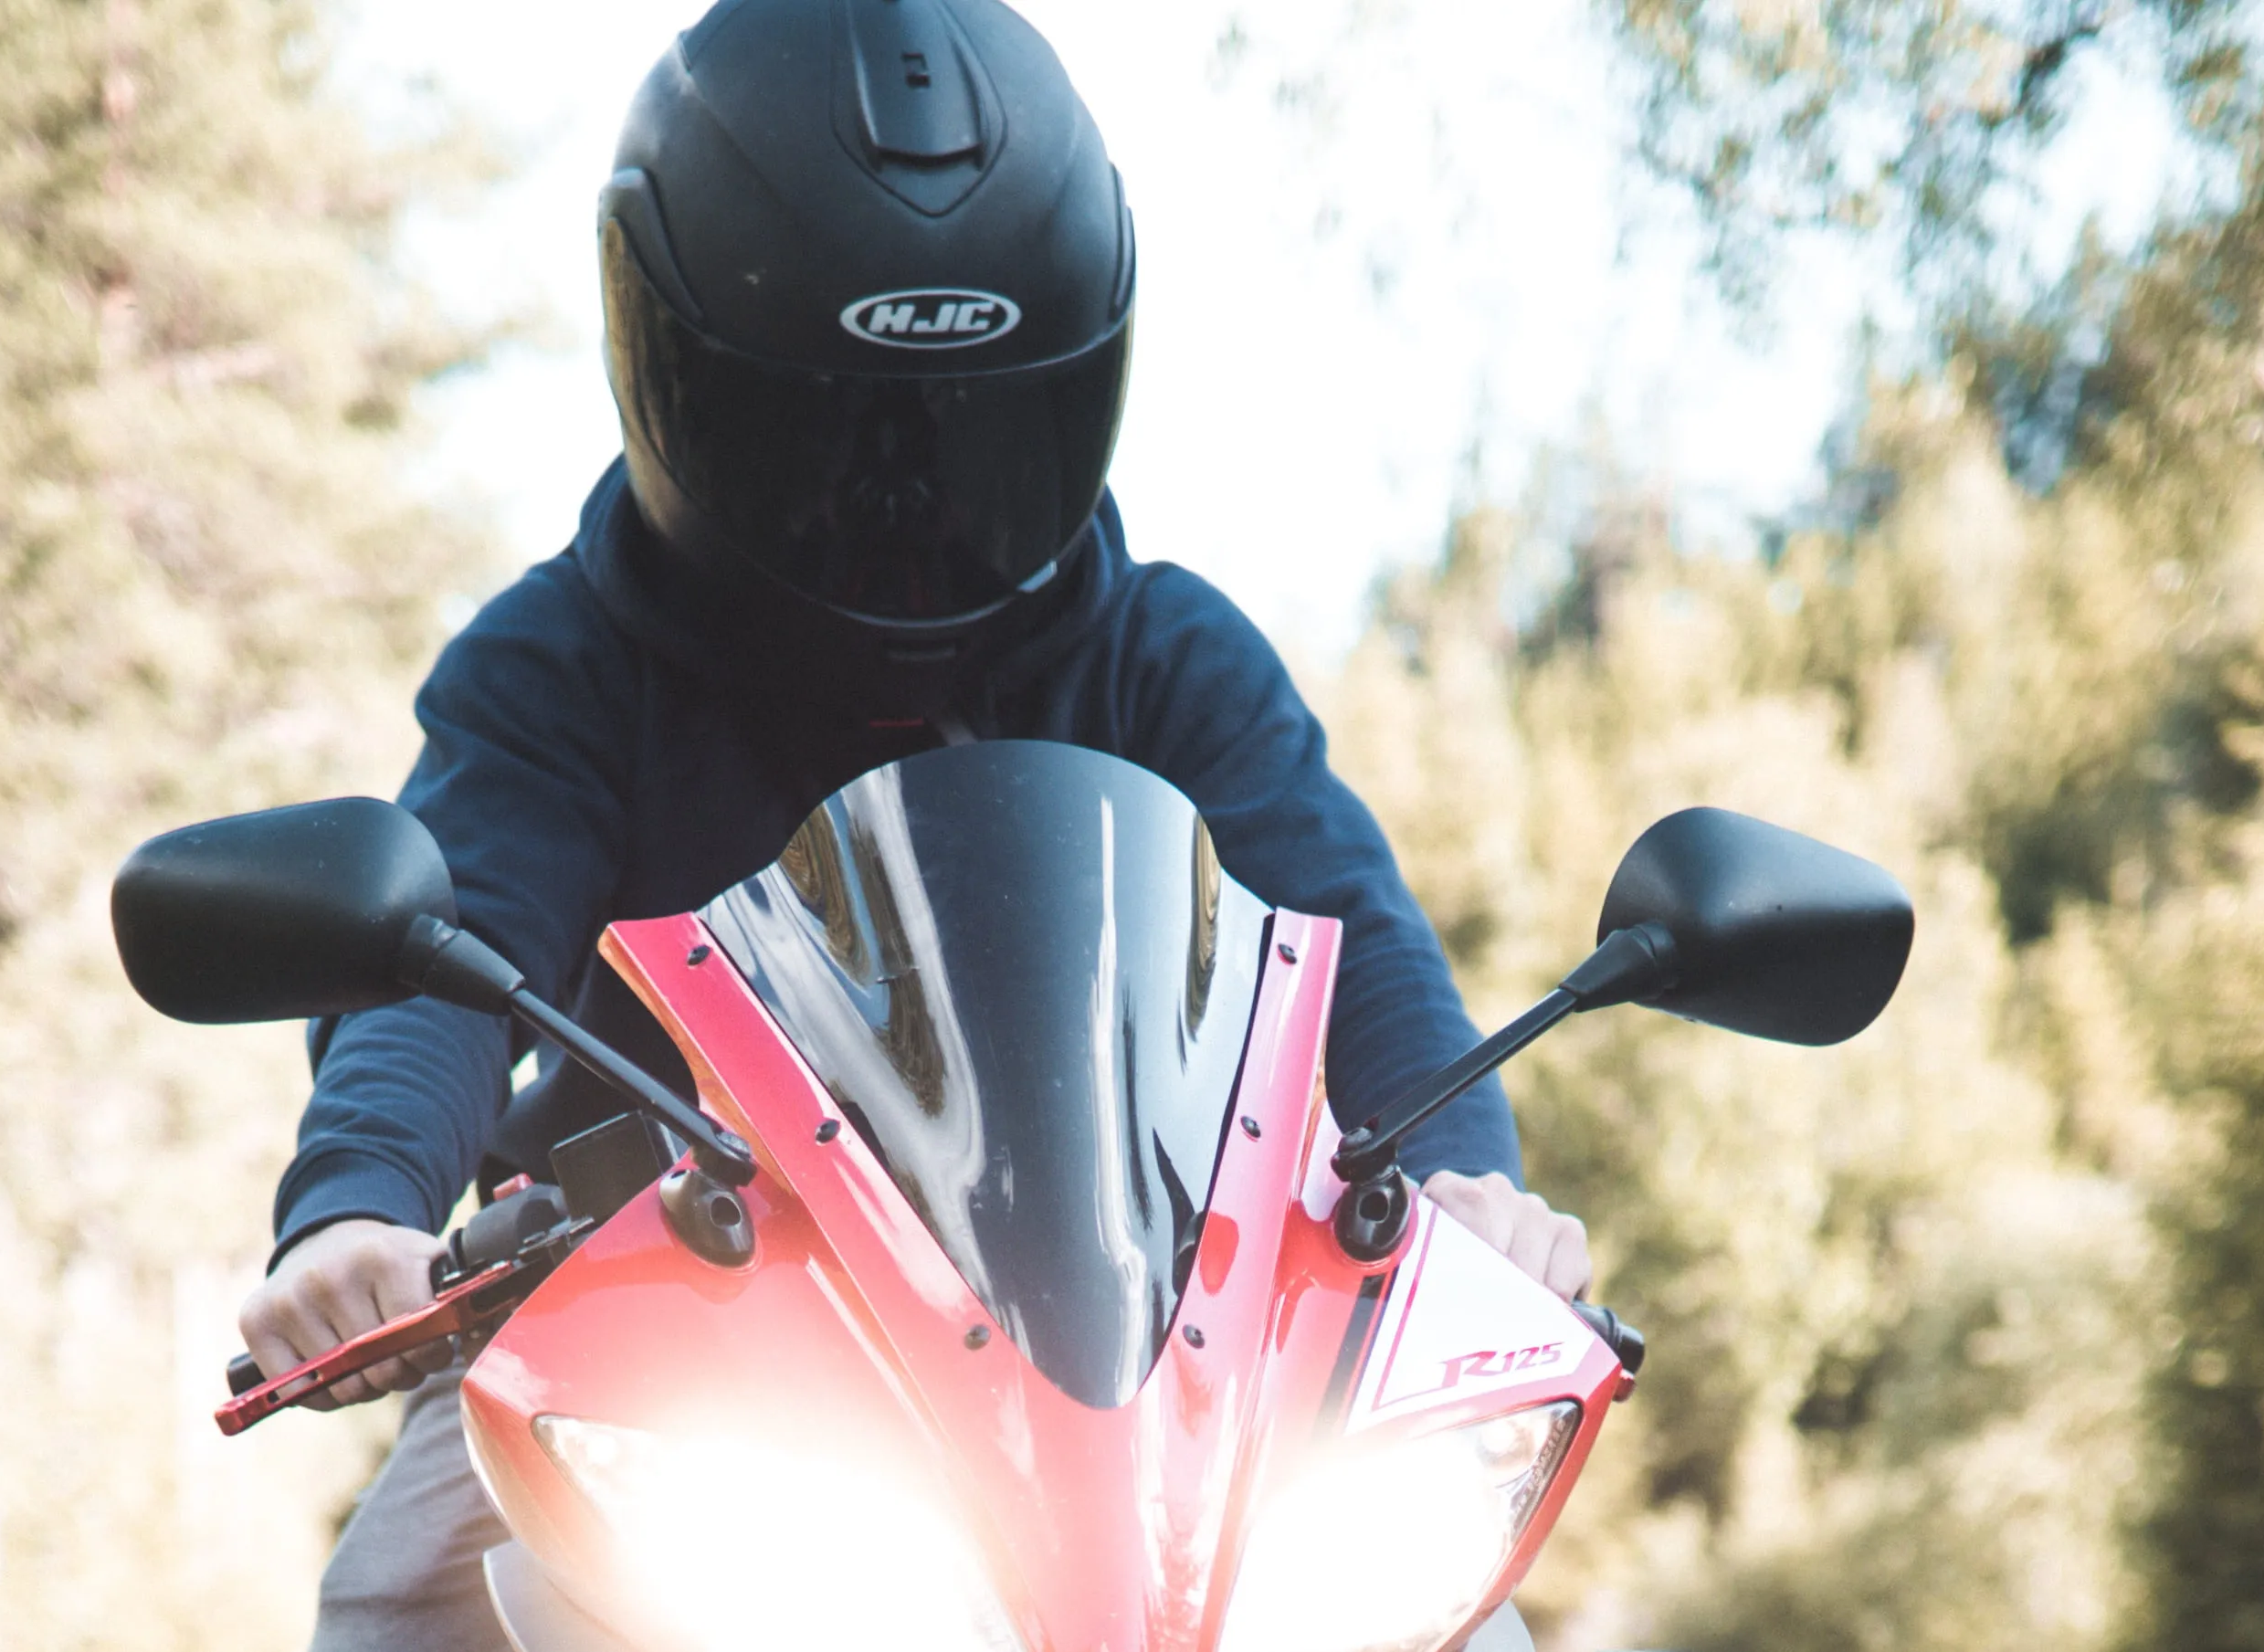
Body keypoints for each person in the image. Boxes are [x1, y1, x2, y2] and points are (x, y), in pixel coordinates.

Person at [237, 1, 1594, 1647]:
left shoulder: (1160, 655)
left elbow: (1348, 939)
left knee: (1463, 1613)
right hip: (701, 1348)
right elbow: (447, 945)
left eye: (969, 443)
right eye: (828, 447)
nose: (898, 513)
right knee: (403, 1596)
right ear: (676, 379)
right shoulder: (568, 666)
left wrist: (1464, 1185)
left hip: (1166, 1360)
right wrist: (362, 1203)